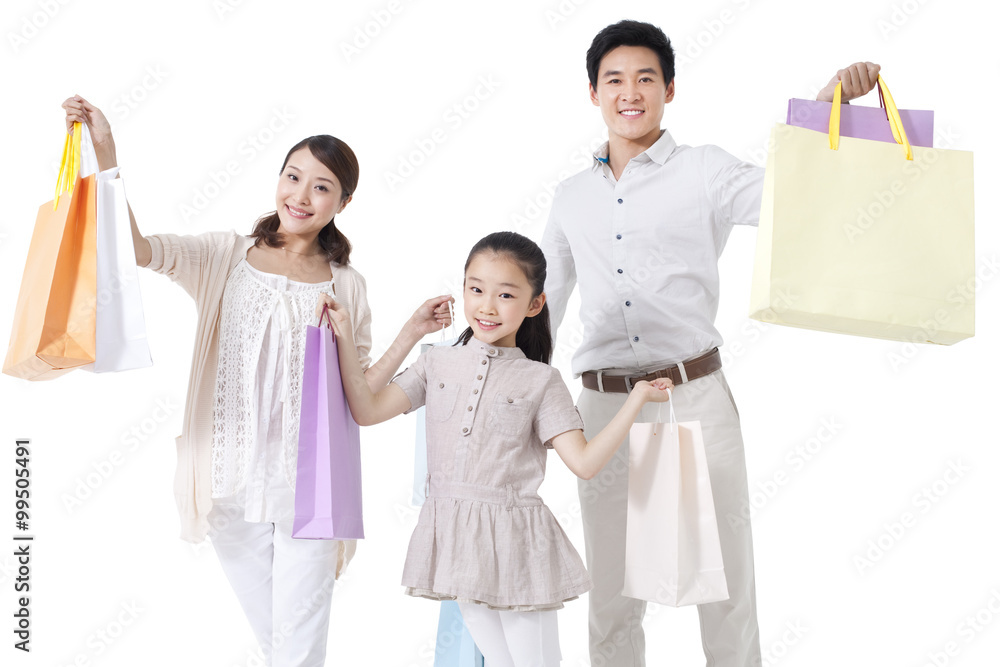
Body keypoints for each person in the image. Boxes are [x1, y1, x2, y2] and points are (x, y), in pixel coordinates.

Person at [61, 95, 453, 667]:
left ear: (344, 202)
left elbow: (361, 393)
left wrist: (412, 330)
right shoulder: (225, 256)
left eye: (320, 186)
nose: (300, 195)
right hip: (227, 479)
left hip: (310, 485)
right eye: (292, 177)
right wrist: (107, 155)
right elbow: (139, 250)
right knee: (283, 644)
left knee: (297, 645)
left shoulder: (347, 285)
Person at [540, 20, 881, 667]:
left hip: (693, 397)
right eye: (614, 80)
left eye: (645, 78)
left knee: (724, 590)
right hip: (606, 408)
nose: (630, 92)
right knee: (612, 597)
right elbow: (544, 309)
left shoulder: (704, 170)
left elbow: (791, 191)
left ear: (669, 88)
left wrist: (828, 100)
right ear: (593, 93)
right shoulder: (570, 197)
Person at [325, 231, 673, 667]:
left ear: (534, 304)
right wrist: (411, 331)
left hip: (519, 543)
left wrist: (637, 398)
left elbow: (584, 463)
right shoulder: (436, 361)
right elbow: (366, 409)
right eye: (475, 289)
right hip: (455, 534)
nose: (486, 306)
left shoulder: (540, 381)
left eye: (505, 294)